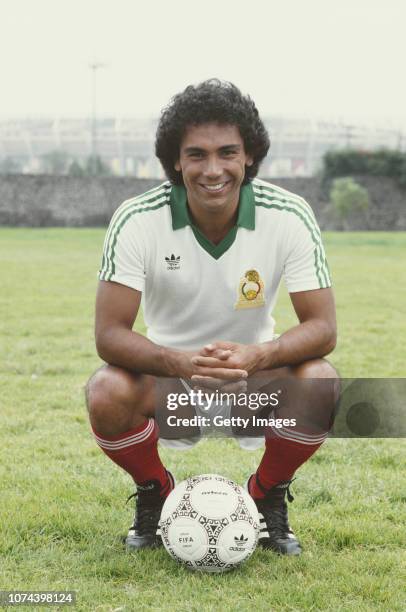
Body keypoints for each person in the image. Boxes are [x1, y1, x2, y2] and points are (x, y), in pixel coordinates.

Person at [86, 79, 338, 557]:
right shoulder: (137, 218)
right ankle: (156, 492)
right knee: (105, 390)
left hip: (254, 381)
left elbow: (323, 328)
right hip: (170, 382)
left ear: (249, 156)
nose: (213, 169)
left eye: (228, 152)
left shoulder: (289, 215)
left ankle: (267, 495)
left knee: (321, 381)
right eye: (196, 155)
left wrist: (259, 354)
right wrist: (182, 364)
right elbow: (109, 336)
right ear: (176, 161)